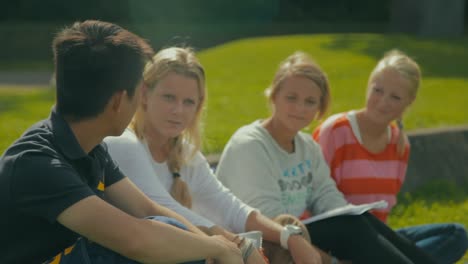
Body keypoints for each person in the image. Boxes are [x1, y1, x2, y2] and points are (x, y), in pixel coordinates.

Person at [0, 20, 243, 264]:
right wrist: (215, 249)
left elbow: (148, 210)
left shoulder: (92, 148)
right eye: (139, 91)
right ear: (118, 101)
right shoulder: (36, 162)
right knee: (132, 248)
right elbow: (136, 241)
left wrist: (213, 247)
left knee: (168, 233)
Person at [104, 47, 326, 264]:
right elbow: (165, 210)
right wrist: (235, 245)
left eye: (188, 101)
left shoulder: (186, 152)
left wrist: (289, 237)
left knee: (285, 231)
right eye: (169, 97)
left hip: (191, 252)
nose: (178, 110)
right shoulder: (124, 143)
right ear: (144, 93)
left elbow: (228, 206)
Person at [216, 51, 439, 264]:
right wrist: (332, 257)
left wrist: (348, 216)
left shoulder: (307, 147)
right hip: (261, 243)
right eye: (291, 98)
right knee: (352, 228)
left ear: (319, 108)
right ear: (274, 95)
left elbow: (327, 195)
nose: (300, 108)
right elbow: (268, 218)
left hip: (298, 235)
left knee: (359, 221)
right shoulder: (250, 144)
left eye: (310, 102)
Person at [312, 50, 468, 264]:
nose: (383, 102)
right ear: (368, 86)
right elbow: (309, 199)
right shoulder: (335, 131)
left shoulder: (399, 144)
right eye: (377, 90)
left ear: (409, 102)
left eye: (395, 97)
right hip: (336, 241)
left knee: (455, 235)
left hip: (376, 240)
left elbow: (382, 217)